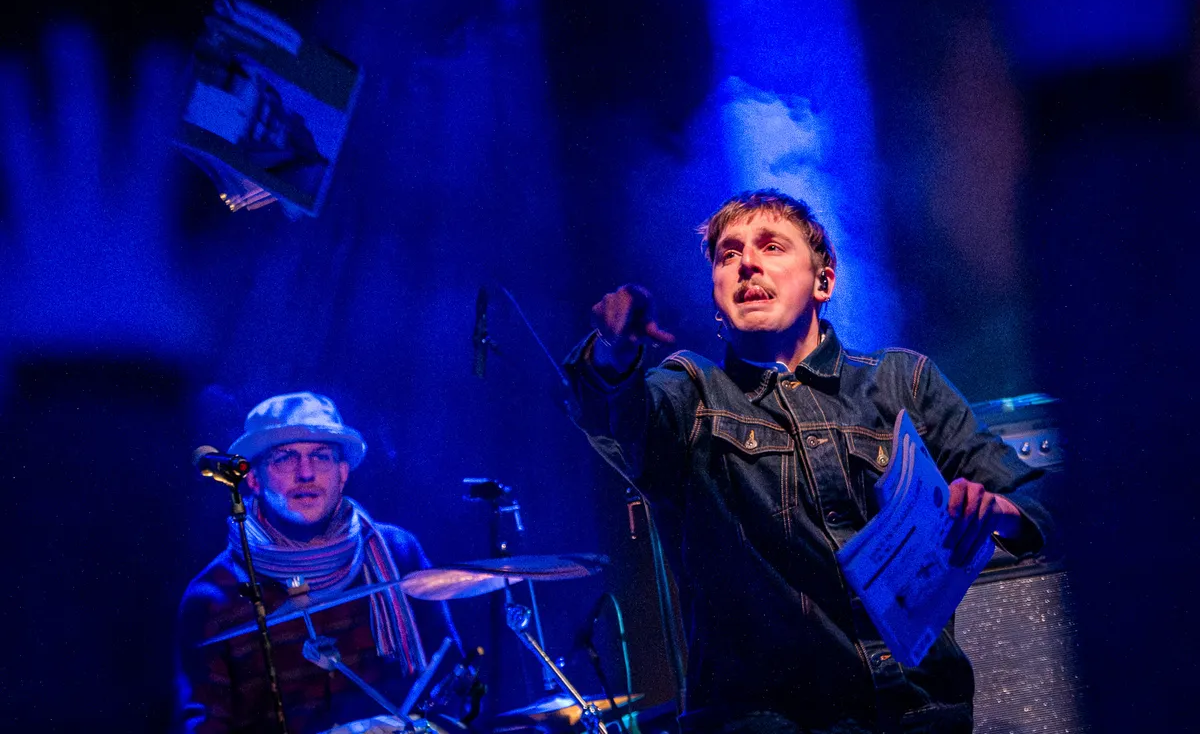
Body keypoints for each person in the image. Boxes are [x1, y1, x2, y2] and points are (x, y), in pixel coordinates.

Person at [563, 190, 1053, 734]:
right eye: (728, 255)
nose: (747, 263)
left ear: (824, 282)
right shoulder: (689, 395)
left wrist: (997, 511)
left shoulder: (902, 381)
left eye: (772, 247)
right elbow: (613, 417)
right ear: (717, 300)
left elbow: (1040, 499)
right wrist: (613, 351)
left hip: (918, 715)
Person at [174, 392, 461, 734]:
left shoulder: (398, 553)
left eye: (321, 457)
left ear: (342, 473)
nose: (306, 473)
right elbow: (203, 726)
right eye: (285, 458)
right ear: (253, 479)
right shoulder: (214, 595)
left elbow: (453, 684)